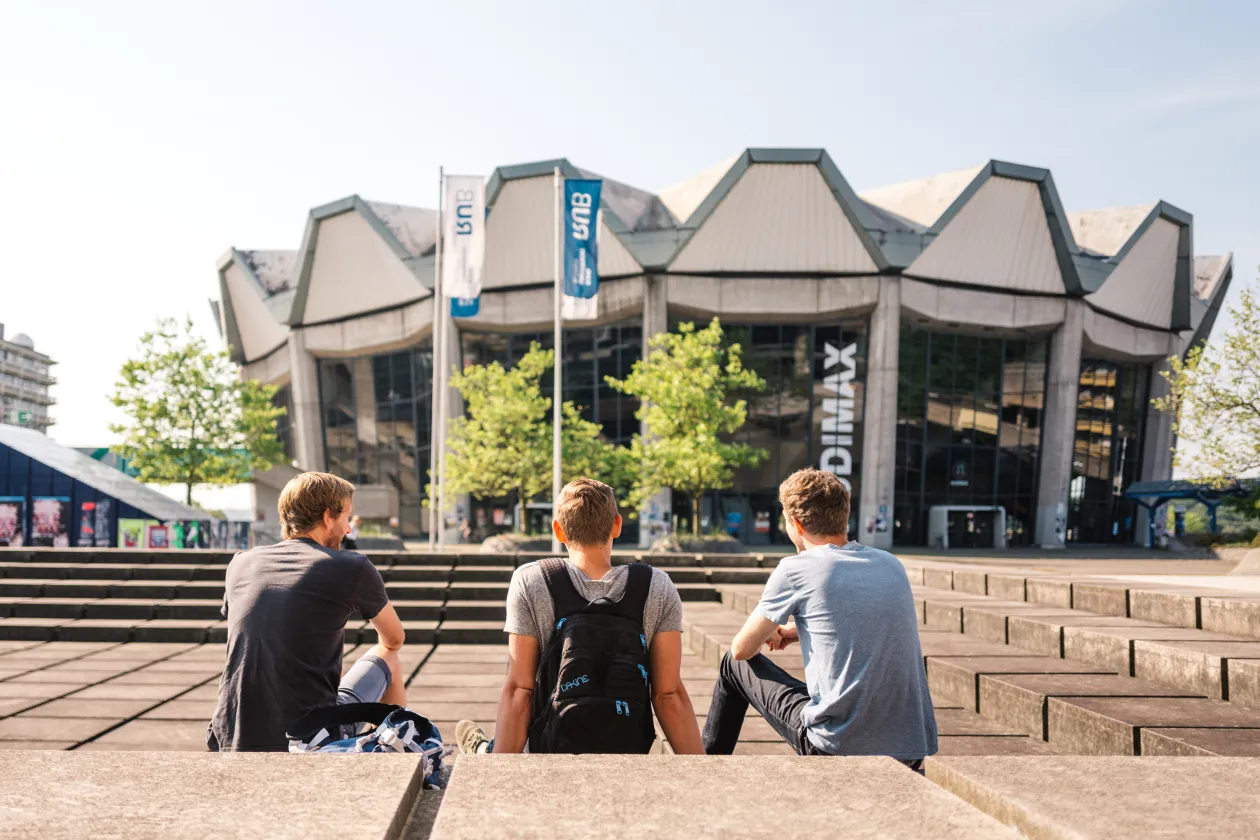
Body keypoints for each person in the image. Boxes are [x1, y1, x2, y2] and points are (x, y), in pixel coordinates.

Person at [702, 468, 936, 768]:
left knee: (732, 665)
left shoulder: (796, 569)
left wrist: (768, 631)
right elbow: (869, 618)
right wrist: (793, 631)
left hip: (836, 744)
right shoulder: (891, 565)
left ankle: (704, 767)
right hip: (910, 748)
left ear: (795, 523)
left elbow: (742, 649)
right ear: (844, 516)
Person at [456, 478, 703, 755]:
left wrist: (498, 773)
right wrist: (701, 773)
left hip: (550, 751)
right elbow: (668, 696)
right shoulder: (656, 586)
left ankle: (483, 752)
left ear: (558, 531)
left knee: (496, 745)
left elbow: (520, 692)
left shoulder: (532, 580)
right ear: (617, 525)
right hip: (628, 751)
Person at [208, 472, 407, 752]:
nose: (349, 529)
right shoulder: (351, 567)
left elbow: (269, 632)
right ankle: (390, 759)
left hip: (231, 733)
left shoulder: (242, 563)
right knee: (389, 656)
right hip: (310, 736)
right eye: (346, 517)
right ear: (328, 516)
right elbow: (394, 638)